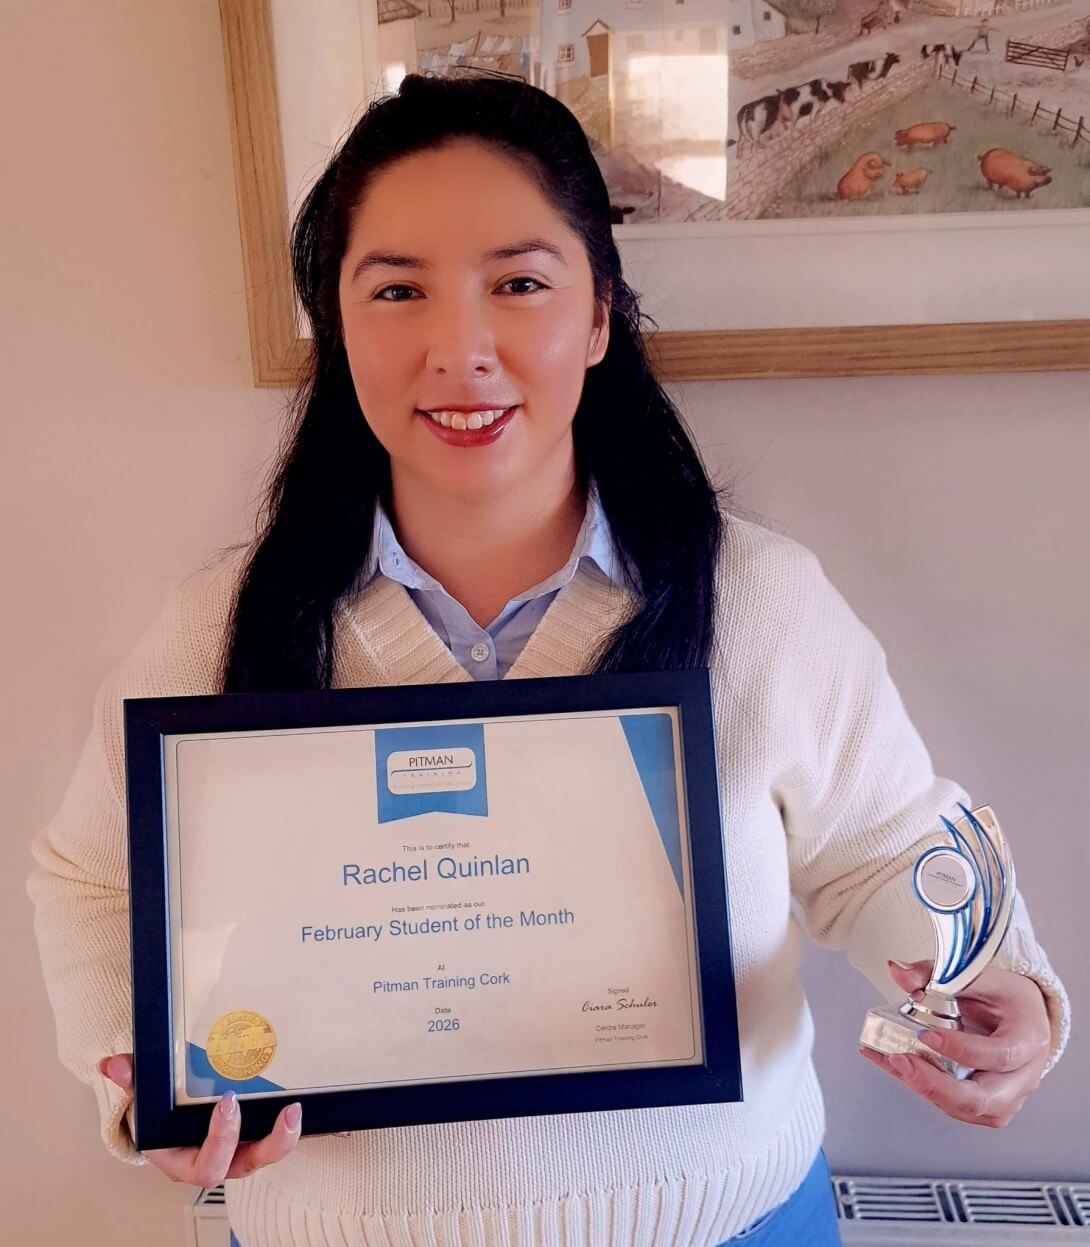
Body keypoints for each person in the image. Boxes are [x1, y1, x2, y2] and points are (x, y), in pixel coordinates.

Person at [29, 71, 1068, 1247]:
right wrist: (147, 1079)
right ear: (338, 320)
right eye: (397, 289)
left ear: (596, 316)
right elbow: (93, 879)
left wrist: (993, 985)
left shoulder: (757, 600)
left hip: (720, 1222)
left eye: (518, 283)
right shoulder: (218, 623)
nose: (458, 348)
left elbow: (886, 842)